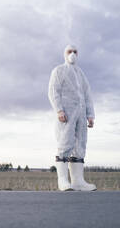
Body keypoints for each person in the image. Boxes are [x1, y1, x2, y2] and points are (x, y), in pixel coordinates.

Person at [48, 44, 97, 191]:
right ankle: (63, 181)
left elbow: (87, 95)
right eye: (70, 51)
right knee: (65, 142)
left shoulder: (81, 74)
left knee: (80, 145)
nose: (73, 54)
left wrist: (90, 115)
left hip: (81, 115)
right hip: (67, 114)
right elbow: (53, 91)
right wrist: (59, 110)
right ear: (65, 54)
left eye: (75, 51)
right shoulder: (59, 71)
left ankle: (78, 181)